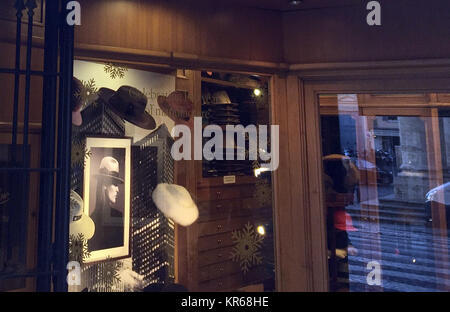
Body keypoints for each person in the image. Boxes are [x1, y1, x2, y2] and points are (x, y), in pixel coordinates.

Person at [89, 156, 124, 251]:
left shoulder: (117, 216)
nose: (118, 189)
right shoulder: (91, 221)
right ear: (104, 184)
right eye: (115, 184)